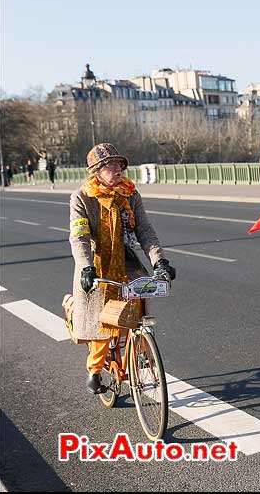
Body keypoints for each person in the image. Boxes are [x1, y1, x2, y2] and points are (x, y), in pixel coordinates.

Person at [68, 143, 176, 394]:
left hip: (126, 260)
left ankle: (139, 349)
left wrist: (159, 261)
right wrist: (86, 268)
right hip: (97, 265)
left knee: (137, 308)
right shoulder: (82, 197)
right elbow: (79, 237)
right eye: (110, 166)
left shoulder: (130, 194)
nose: (118, 170)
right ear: (96, 172)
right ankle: (95, 370)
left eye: (119, 165)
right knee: (102, 322)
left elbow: (145, 231)